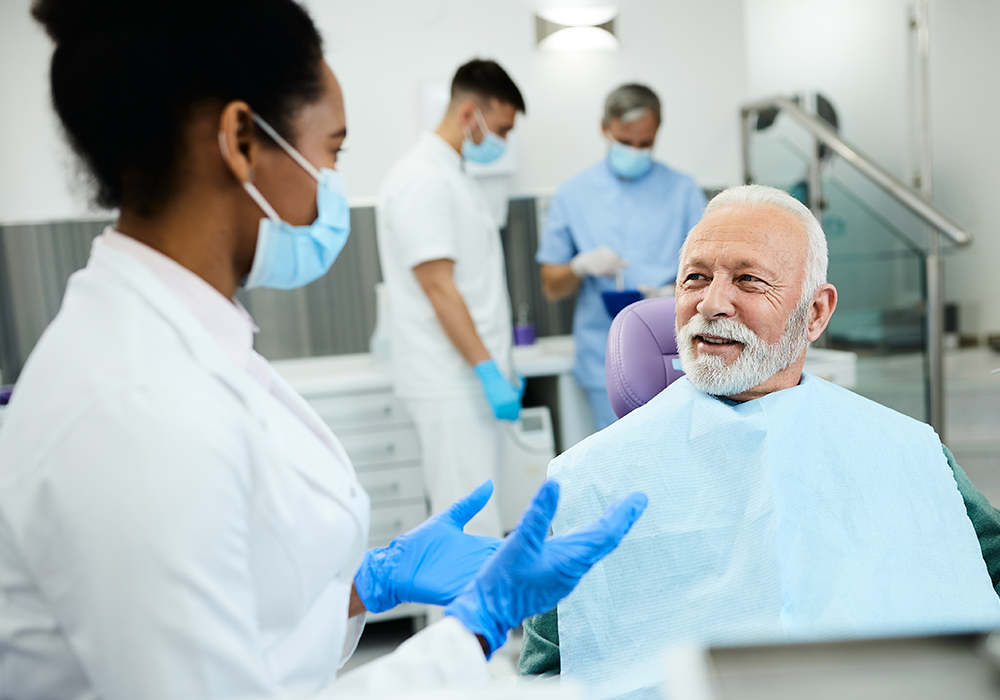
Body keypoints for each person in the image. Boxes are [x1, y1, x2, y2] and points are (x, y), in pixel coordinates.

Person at [0, 2, 648, 699]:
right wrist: (473, 632)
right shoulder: (135, 406)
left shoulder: (178, 336)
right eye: (332, 151)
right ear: (242, 140)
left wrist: (363, 586)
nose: (333, 186)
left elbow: (242, 623)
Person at [519, 185, 1000, 694]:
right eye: (695, 278)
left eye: (748, 280)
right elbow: (548, 668)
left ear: (815, 313)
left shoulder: (907, 450)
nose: (712, 303)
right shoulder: (590, 478)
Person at [377, 60, 525, 537]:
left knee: (480, 523)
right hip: (451, 382)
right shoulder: (423, 179)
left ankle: (478, 614)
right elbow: (438, 288)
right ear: (469, 114)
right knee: (468, 531)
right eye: (501, 128)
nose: (502, 140)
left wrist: (497, 368)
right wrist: (487, 370)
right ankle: (464, 616)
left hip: (468, 382)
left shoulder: (452, 175)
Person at [536, 84, 707, 431]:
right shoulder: (572, 194)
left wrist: (674, 293)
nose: (636, 151)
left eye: (645, 144)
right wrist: (578, 267)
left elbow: (714, 267)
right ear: (605, 128)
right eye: (626, 142)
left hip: (677, 352)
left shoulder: (684, 190)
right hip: (604, 355)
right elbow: (551, 286)